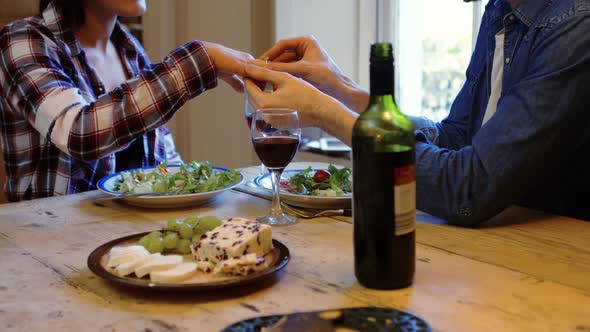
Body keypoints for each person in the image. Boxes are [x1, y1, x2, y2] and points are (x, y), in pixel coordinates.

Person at [243, 0, 590, 225]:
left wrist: (326, 113)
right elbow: (456, 137)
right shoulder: (502, 10)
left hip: (554, 272)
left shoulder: (577, 27)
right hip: (500, 251)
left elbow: (468, 189)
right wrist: (340, 89)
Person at [0, 0, 252, 201]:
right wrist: (199, 61)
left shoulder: (129, 51)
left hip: (131, 242)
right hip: (47, 250)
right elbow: (80, 133)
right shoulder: (23, 40)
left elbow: (164, 161)